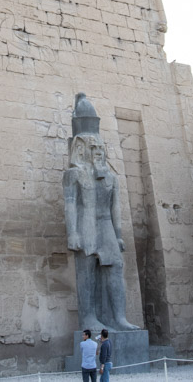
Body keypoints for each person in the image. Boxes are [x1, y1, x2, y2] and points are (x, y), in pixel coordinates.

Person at [64, 94, 137, 331]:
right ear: (81, 149)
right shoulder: (74, 174)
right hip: (85, 225)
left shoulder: (111, 178)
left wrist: (118, 235)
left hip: (105, 225)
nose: (97, 152)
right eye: (91, 148)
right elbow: (70, 204)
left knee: (114, 267)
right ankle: (88, 318)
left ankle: (119, 317)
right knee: (87, 272)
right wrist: (72, 232)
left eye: (99, 149)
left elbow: (116, 209)